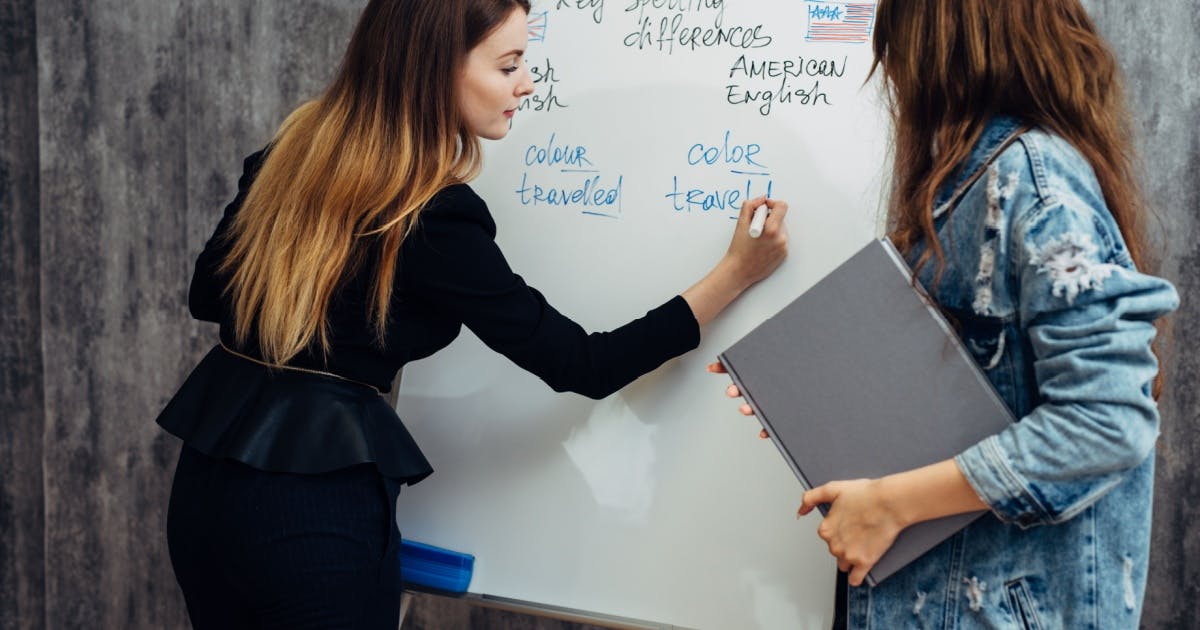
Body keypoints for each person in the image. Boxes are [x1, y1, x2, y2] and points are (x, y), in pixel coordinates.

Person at [157, 0, 789, 628]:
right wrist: (735, 274)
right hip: (311, 516)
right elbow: (583, 363)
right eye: (508, 64)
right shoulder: (432, 216)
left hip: (208, 485)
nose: (527, 82)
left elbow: (209, 296)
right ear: (436, 68)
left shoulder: (291, 153)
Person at [711, 0, 1178, 627]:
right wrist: (819, 410)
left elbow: (1106, 420)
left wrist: (890, 504)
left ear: (939, 41)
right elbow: (970, 396)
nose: (896, 79)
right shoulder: (969, 184)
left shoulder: (1035, 187)